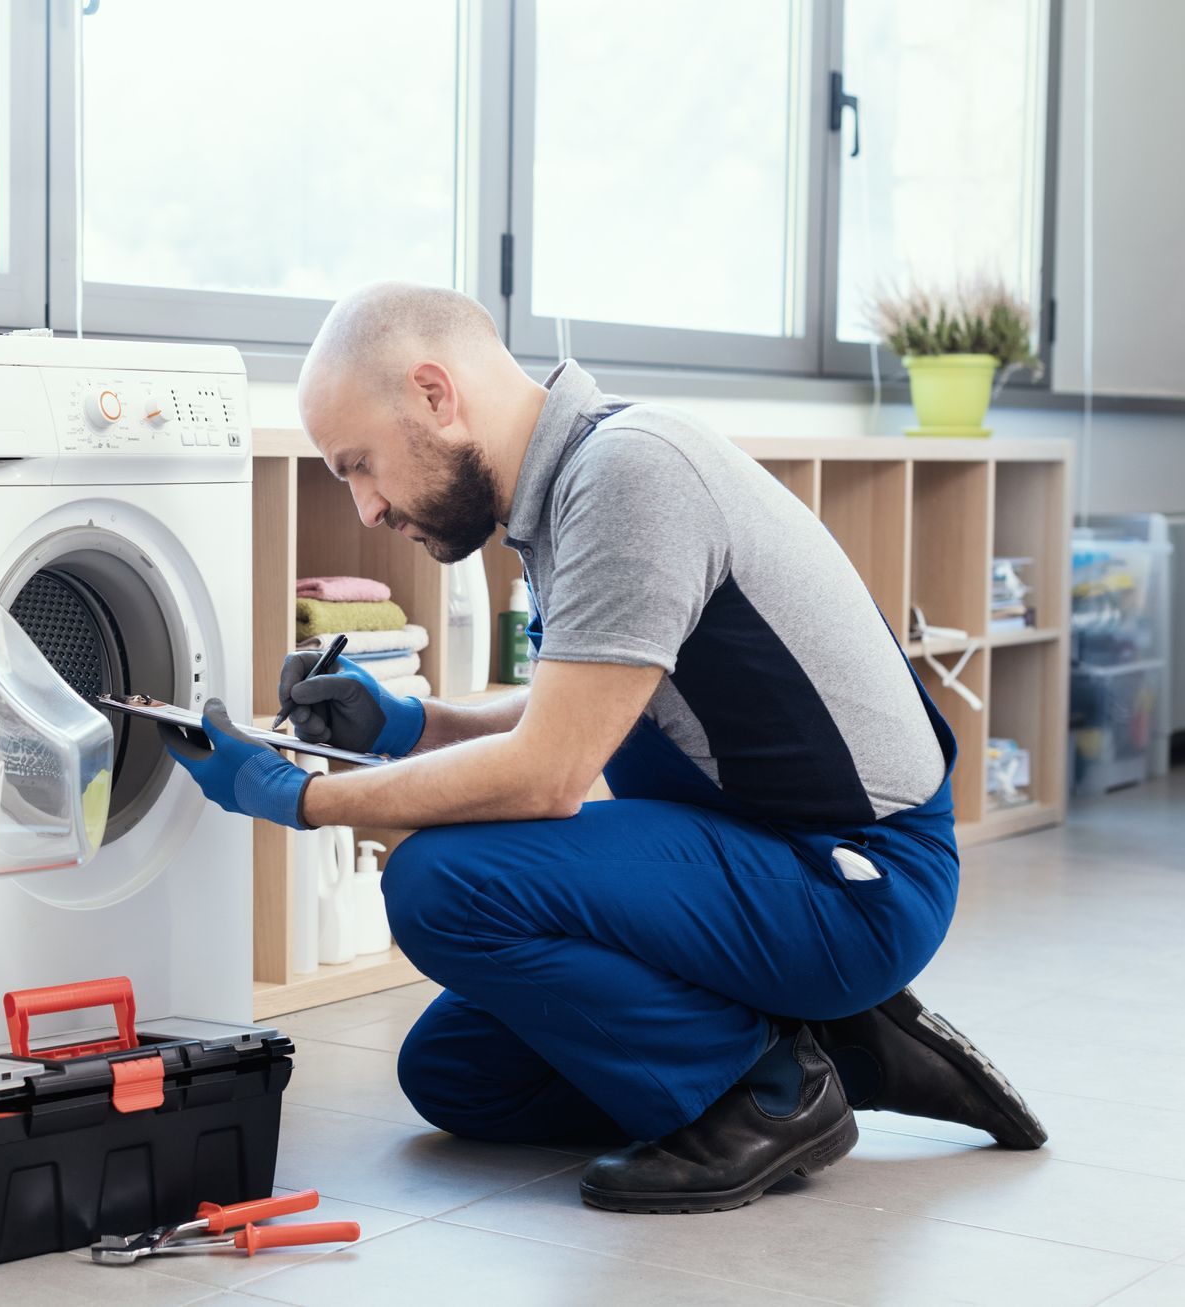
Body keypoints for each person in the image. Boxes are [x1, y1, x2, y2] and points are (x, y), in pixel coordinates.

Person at [157, 281, 1046, 1213]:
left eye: (360, 465)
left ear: (434, 393)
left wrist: (297, 797)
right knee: (457, 1074)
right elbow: (583, 709)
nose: (368, 507)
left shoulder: (630, 477)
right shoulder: (577, 477)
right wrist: (405, 724)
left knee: (438, 884)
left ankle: (769, 1094)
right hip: (764, 851)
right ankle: (825, 1032)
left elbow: (548, 773)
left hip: (853, 878)